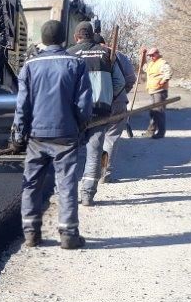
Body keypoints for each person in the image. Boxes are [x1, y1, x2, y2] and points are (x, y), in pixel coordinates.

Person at [12, 19, 93, 250]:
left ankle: (31, 234)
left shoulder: (29, 66)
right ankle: (68, 235)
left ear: (43, 40)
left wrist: (18, 135)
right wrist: (81, 126)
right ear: (63, 39)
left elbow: (22, 105)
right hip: (65, 135)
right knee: (66, 183)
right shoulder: (76, 64)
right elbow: (84, 104)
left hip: (36, 137)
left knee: (31, 185)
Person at [67, 22, 125, 206]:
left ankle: (68, 195)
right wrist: (107, 97)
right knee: (94, 152)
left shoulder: (69, 54)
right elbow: (119, 82)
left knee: (70, 153)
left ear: (76, 37)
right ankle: (87, 196)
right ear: (92, 35)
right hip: (100, 110)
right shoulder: (107, 54)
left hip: (74, 113)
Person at [94, 33, 137, 183]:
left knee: (95, 138)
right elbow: (131, 79)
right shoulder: (119, 56)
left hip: (95, 104)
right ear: (104, 43)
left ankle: (91, 172)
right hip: (117, 102)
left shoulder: (87, 55)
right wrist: (121, 93)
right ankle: (104, 173)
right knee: (111, 138)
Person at [143, 47, 172, 139]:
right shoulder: (151, 64)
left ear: (157, 53)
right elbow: (144, 67)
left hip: (160, 91)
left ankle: (161, 132)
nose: (151, 57)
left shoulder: (162, 62)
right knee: (153, 112)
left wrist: (162, 82)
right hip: (152, 90)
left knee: (159, 112)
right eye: (150, 56)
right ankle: (150, 131)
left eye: (153, 55)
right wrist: (143, 55)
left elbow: (169, 73)